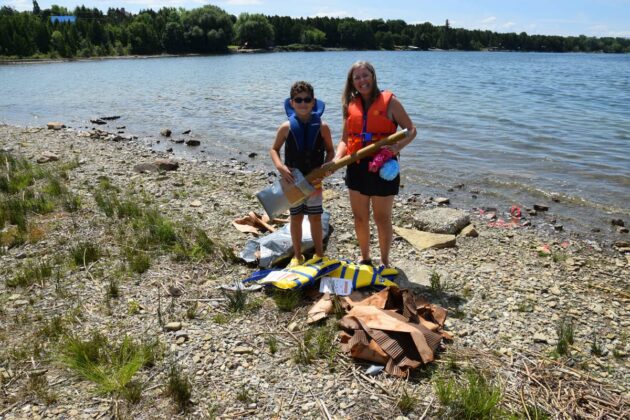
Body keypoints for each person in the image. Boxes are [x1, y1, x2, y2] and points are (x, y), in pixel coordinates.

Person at [332, 61, 417, 269]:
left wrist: (396, 149)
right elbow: (345, 140)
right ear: (352, 83)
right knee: (360, 218)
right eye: (357, 78)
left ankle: (385, 261)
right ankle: (365, 257)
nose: (362, 81)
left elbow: (411, 130)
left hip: (384, 167)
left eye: (365, 75)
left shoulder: (390, 102)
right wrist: (336, 159)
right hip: (356, 166)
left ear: (373, 76)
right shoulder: (349, 105)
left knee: (382, 218)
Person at [270, 81, 334, 266]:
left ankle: (320, 256)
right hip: (293, 181)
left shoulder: (323, 126)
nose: (303, 103)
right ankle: (297, 256)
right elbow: (273, 149)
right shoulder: (286, 127)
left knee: (315, 217)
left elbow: (330, 151)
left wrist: (326, 167)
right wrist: (280, 167)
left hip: (314, 181)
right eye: (299, 100)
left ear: (314, 102)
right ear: (292, 103)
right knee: (296, 218)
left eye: (307, 99)